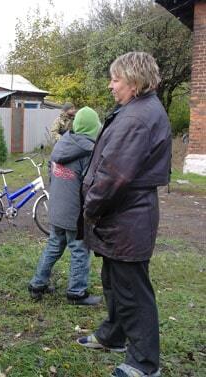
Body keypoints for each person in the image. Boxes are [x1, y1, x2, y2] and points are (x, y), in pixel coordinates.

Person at [76, 52, 171, 377]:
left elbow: (114, 175)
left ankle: (144, 364)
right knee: (115, 283)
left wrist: (90, 208)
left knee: (132, 290)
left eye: (116, 79)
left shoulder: (138, 118)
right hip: (122, 219)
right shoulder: (137, 109)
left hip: (126, 217)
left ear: (134, 82)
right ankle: (113, 335)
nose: (110, 85)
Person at [28, 107, 102, 306]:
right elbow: (90, 186)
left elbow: (51, 176)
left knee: (54, 245)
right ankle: (77, 293)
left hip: (57, 207)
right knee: (80, 250)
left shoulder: (62, 145)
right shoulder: (88, 152)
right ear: (93, 129)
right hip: (74, 213)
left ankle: (37, 284)